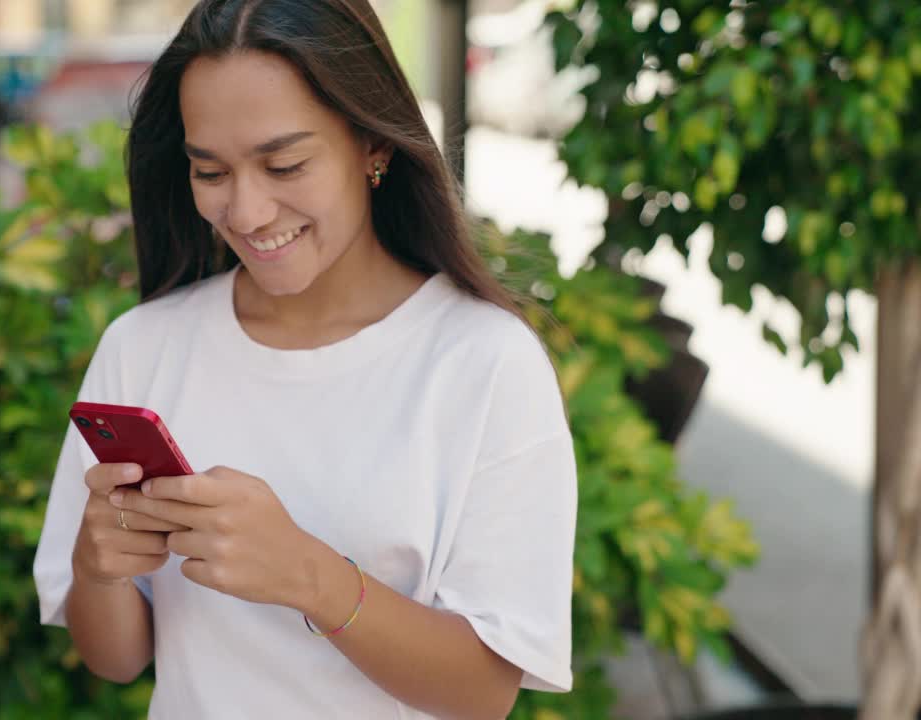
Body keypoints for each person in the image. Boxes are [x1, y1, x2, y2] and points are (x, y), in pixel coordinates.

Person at [32, 0, 577, 717]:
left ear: (372, 145)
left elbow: (484, 694)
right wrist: (96, 567)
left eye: (284, 163)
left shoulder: (482, 363)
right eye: (211, 172)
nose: (249, 212)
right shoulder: (143, 348)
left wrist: (308, 575)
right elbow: (117, 659)